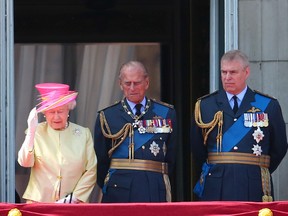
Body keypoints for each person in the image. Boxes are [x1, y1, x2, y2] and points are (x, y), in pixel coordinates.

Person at [191, 49, 288, 202]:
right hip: (217, 185)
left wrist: (255, 168)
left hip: (254, 183)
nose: (227, 77)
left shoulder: (268, 105)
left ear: (246, 72)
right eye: (224, 72)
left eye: (233, 72)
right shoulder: (205, 105)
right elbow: (197, 149)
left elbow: (279, 147)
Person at [94, 61, 177, 202]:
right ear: (120, 84)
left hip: (154, 188)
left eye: (137, 83)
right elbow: (100, 161)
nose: (132, 88)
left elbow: (172, 157)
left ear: (147, 83)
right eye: (127, 83)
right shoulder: (107, 116)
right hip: (118, 189)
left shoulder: (166, 113)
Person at [18, 83, 97, 203]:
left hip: (73, 205)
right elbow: (24, 162)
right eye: (51, 112)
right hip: (39, 203)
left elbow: (91, 169)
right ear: (44, 113)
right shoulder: (36, 132)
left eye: (60, 111)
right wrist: (31, 132)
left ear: (68, 111)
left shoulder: (83, 134)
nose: (56, 117)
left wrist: (74, 198)